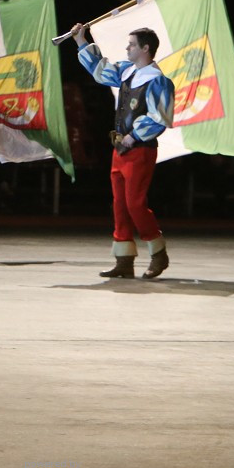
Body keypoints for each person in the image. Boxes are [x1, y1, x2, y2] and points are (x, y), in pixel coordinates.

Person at [70, 23, 175, 279]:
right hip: (120, 150)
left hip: (140, 150)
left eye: (132, 44)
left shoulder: (158, 81)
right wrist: (80, 40)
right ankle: (124, 260)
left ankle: (158, 253)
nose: (127, 48)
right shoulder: (128, 71)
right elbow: (100, 71)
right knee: (120, 205)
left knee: (135, 203)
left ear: (145, 48)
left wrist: (134, 136)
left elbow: (160, 118)